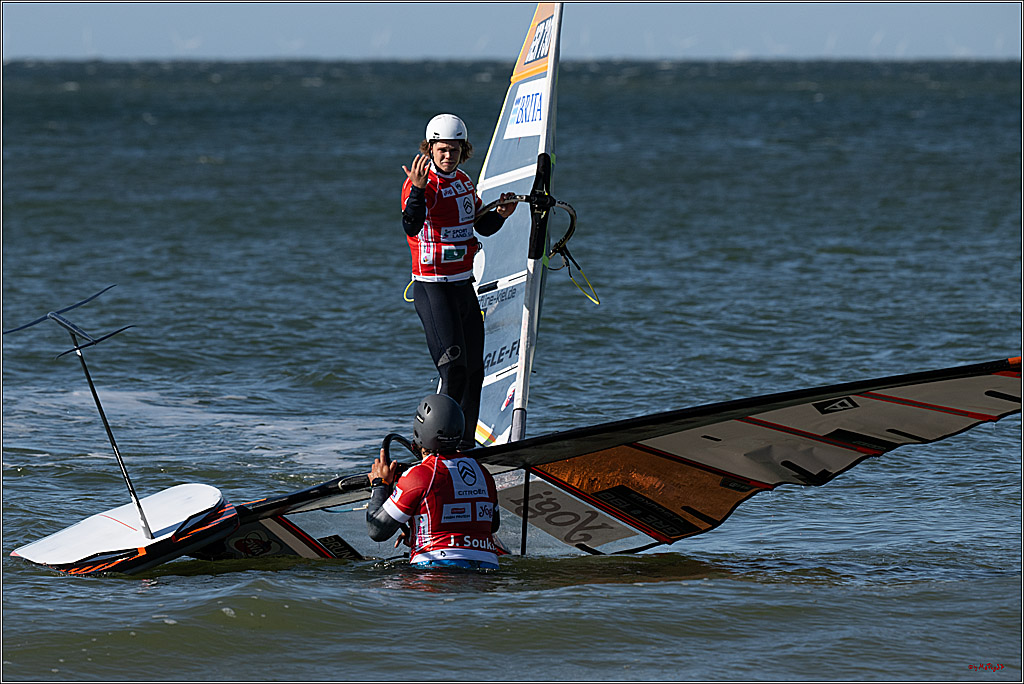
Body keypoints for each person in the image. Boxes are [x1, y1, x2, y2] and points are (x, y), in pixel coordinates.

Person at [401, 113, 518, 450]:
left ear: (462, 150)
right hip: (433, 288)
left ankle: (465, 444)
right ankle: (434, 445)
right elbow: (411, 224)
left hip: (463, 286)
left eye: (454, 149)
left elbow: (481, 226)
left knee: (475, 370)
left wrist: (500, 215)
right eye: (442, 149)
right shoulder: (421, 184)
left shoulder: (465, 182)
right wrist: (418, 190)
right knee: (453, 368)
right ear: (430, 149)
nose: (448, 155)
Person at [366, 393, 503, 570]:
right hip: (487, 567)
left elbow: (376, 530)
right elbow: (492, 525)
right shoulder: (483, 473)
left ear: (419, 430)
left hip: (435, 570)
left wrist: (380, 484)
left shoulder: (419, 475)